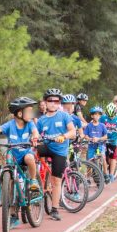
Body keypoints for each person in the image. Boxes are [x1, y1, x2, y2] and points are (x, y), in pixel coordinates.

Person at [0, 97, 40, 229]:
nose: (31, 114)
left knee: (30, 158)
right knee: (12, 183)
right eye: (29, 111)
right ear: (19, 114)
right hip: (13, 154)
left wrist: (35, 137)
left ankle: (34, 180)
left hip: (25, 153)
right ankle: (13, 215)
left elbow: (35, 132)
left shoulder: (29, 124)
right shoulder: (10, 125)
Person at [36, 88, 76, 221]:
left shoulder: (64, 116)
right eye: (50, 100)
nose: (53, 103)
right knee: (30, 154)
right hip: (47, 146)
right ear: (45, 103)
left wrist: (64, 136)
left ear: (59, 103)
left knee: (56, 180)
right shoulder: (41, 120)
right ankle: (33, 177)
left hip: (60, 151)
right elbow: (35, 135)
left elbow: (73, 132)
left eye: (56, 101)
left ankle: (54, 209)